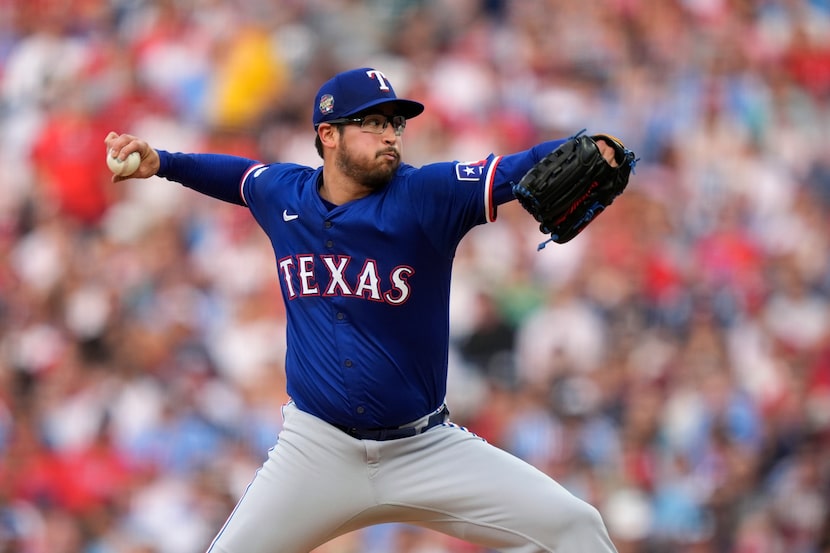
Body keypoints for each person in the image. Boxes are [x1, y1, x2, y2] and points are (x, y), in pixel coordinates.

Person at [105, 67, 622, 553]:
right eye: (373, 123)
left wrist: (589, 148)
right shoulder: (284, 193)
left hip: (424, 448)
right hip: (316, 450)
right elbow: (236, 176)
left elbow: (511, 168)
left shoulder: (424, 194)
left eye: (394, 123)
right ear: (328, 134)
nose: (391, 134)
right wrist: (164, 164)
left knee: (575, 527)